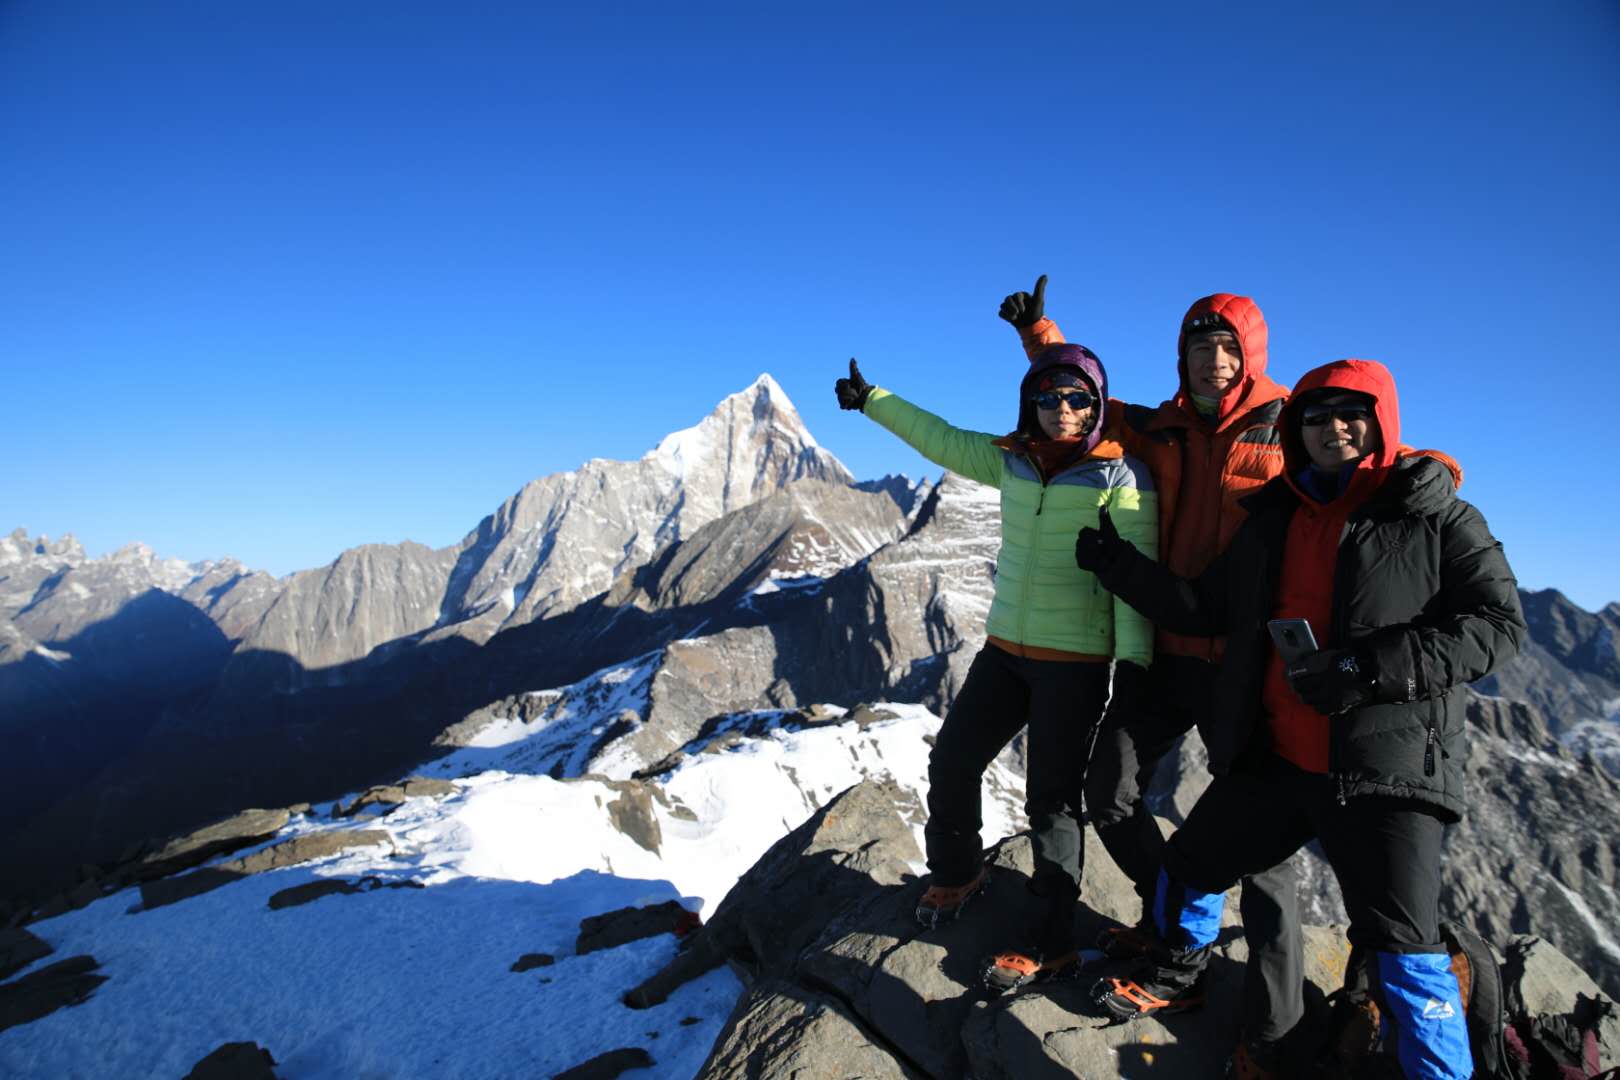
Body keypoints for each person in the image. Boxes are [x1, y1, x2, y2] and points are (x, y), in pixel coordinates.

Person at [1073, 358, 1525, 1080]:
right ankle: (1183, 970)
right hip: (1280, 759)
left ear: (1381, 421)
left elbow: (1499, 626)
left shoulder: (1434, 514)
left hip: (1385, 770)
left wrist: (1367, 667)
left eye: (1352, 414)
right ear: (1295, 430)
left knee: (1403, 948)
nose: (1333, 429)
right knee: (1190, 866)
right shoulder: (1272, 521)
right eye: (1316, 417)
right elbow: (1204, 609)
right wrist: (1118, 568)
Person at [1000, 275, 1305, 1070]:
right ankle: (1170, 928)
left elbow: (1369, 442)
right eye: (1199, 347)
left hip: (1247, 661)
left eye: (1227, 348)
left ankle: (1273, 1030)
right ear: (1182, 357)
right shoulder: (1158, 428)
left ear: (1251, 356)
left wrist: (1434, 466)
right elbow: (1084, 400)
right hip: (1169, 650)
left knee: (1265, 848)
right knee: (1111, 791)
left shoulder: (1289, 426)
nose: (1213, 362)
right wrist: (1041, 339)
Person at [834, 345, 1157, 989]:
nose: (1062, 411)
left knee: (1052, 802)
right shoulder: (1012, 460)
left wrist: (1135, 668)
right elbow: (943, 440)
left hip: (1075, 663)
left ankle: (1053, 940)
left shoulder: (1121, 478)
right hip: (1005, 651)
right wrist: (875, 402)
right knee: (953, 760)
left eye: (1078, 400)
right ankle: (957, 873)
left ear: (1097, 407)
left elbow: (1138, 580)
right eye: (1048, 398)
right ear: (1029, 404)